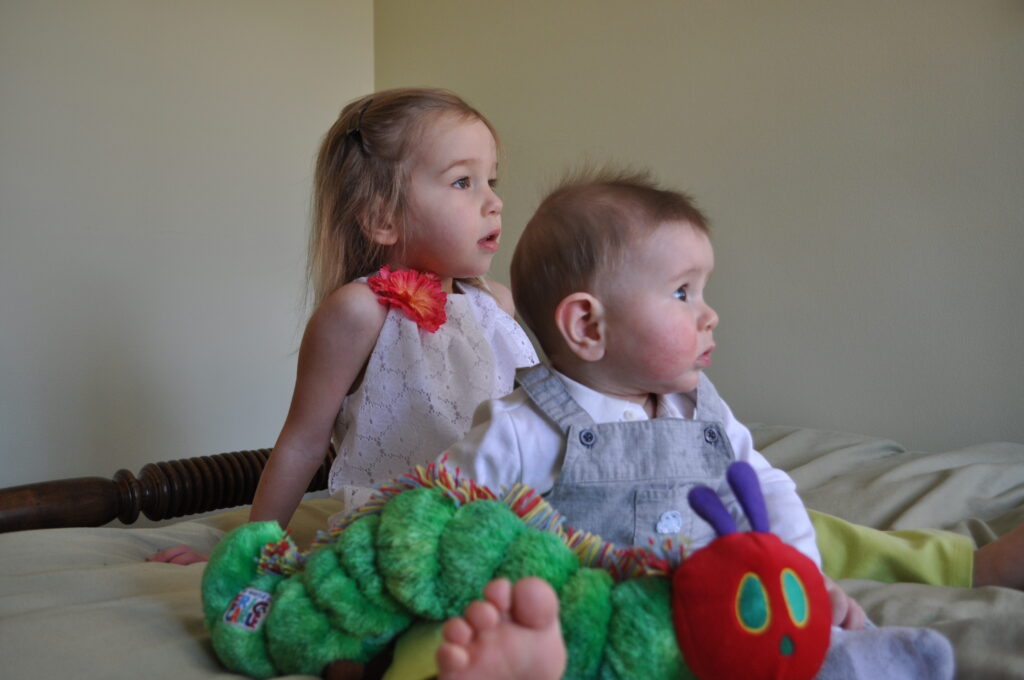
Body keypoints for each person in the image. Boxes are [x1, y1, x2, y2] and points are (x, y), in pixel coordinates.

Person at [435, 170, 954, 679]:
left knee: (805, 650)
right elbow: (439, 512)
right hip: (605, 636)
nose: (710, 315)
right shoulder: (523, 429)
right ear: (588, 325)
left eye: (703, 291)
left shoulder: (702, 410)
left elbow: (766, 487)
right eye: (684, 293)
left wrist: (803, 577)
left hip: (723, 622)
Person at [150, 87, 537, 565]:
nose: (494, 202)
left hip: (488, 528)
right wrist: (248, 550)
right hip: (393, 538)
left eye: (491, 180)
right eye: (463, 182)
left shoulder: (496, 305)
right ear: (381, 218)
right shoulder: (359, 311)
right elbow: (302, 444)